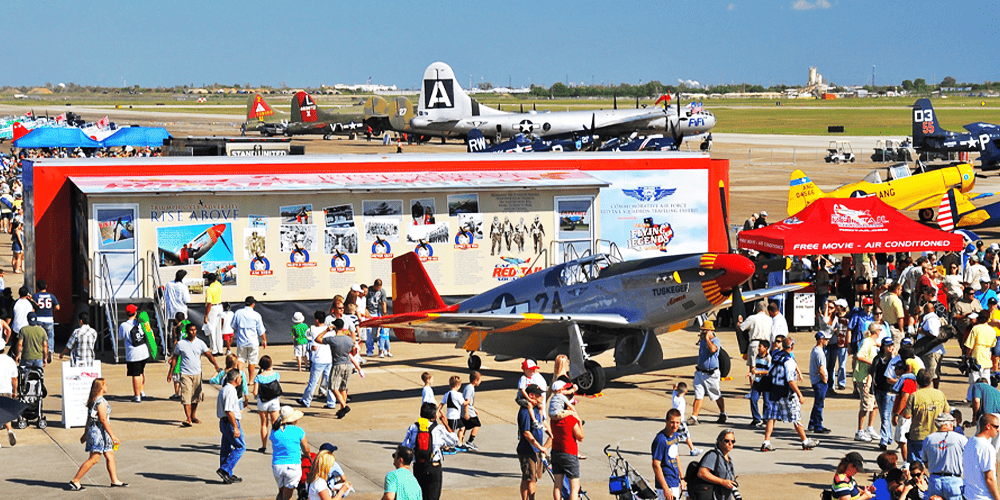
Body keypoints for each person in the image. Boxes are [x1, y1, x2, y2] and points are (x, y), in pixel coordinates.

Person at [761, 336, 820, 451]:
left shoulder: (776, 355)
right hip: (786, 393)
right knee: (796, 417)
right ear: (792, 347)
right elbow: (790, 380)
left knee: (771, 417)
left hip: (774, 390)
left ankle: (766, 442)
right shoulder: (789, 361)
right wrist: (799, 394)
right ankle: (805, 441)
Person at [69, 378, 128, 490]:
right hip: (99, 434)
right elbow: (103, 419)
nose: (107, 386)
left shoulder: (93, 400)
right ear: (101, 387)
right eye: (105, 384)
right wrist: (113, 435)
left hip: (98, 433)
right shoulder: (100, 402)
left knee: (110, 455)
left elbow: (89, 419)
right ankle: (75, 480)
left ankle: (115, 480)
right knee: (95, 458)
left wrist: (85, 433)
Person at [402, 402, 460, 500]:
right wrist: (445, 423)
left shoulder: (413, 427)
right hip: (434, 467)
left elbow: (405, 446)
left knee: (419, 496)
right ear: (434, 417)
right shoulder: (438, 429)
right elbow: (455, 440)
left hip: (419, 467)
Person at [168, 322, 221, 427]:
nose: (194, 332)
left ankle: (193, 415)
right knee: (186, 396)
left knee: (196, 397)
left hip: (197, 373)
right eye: (191, 330)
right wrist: (171, 372)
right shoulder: (180, 344)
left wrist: (215, 365)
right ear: (187, 332)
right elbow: (175, 358)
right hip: (185, 374)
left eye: (195, 330)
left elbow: (208, 354)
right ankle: (188, 419)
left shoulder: (200, 343)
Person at [314, 319, 356, 418]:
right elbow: (354, 351)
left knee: (333, 387)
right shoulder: (349, 339)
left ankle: (344, 406)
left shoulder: (333, 339)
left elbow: (318, 339)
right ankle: (341, 409)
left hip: (337, 364)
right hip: (348, 364)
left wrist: (326, 330)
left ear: (335, 327)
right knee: (343, 388)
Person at [921, 412, 967, 500]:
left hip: (935, 480)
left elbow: (926, 462)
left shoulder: (928, 439)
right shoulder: (961, 439)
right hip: (954, 481)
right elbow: (968, 460)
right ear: (949, 424)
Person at [689, 321, 727, 425]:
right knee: (698, 395)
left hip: (711, 374)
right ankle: (694, 417)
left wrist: (707, 338)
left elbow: (713, 350)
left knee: (716, 394)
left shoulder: (715, 341)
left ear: (710, 331)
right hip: (700, 373)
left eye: (705, 331)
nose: (702, 332)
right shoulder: (702, 341)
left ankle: (723, 413)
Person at [270, 406, 310, 500]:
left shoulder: (274, 431)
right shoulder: (298, 431)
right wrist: (306, 456)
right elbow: (307, 449)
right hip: (292, 466)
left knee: (281, 492)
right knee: (288, 496)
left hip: (277, 466)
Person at [518, 384, 550, 500]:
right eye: (539, 395)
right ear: (531, 396)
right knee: (529, 478)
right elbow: (526, 433)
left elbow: (543, 424)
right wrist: (539, 447)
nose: (542, 397)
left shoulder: (536, 409)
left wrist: (550, 437)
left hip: (536, 450)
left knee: (533, 478)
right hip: (527, 450)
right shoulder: (525, 412)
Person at [550, 393, 584, 500]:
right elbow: (580, 437)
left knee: (557, 485)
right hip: (569, 452)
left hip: (556, 452)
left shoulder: (554, 420)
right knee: (574, 487)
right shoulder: (570, 420)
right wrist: (579, 421)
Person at [299, 312, 334, 409]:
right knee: (329, 382)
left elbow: (310, 343)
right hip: (329, 358)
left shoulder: (314, 330)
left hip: (318, 359)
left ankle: (306, 400)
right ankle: (331, 402)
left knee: (313, 382)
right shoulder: (331, 331)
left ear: (317, 320)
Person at [217, 368, 246, 484]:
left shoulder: (226, 389)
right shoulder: (230, 391)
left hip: (224, 422)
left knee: (226, 448)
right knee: (240, 447)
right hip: (230, 422)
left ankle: (227, 474)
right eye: (240, 377)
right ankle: (225, 469)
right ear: (236, 379)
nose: (241, 379)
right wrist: (235, 427)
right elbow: (229, 410)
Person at [963, 413, 1000, 500]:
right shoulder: (987, 448)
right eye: (996, 426)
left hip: (968, 494)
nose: (998, 430)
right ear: (988, 426)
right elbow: (989, 478)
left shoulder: (970, 441)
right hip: (982, 496)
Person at [232, 296, 267, 384]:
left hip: (242, 340)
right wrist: (264, 340)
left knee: (241, 359)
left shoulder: (238, 313)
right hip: (253, 341)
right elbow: (261, 329)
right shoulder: (256, 315)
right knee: (252, 361)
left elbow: (233, 325)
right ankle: (250, 380)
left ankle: (238, 378)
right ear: (253, 304)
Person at [696, 430, 739, 500]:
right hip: (714, 496)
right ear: (719, 441)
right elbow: (702, 473)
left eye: (733, 441)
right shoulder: (713, 455)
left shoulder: (729, 458)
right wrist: (722, 482)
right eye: (727, 441)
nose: (730, 443)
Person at [118, 304, 148, 402]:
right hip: (144, 351)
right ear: (135, 313)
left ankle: (137, 395)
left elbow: (120, 337)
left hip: (133, 353)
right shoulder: (140, 323)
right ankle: (142, 391)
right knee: (141, 372)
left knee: (136, 374)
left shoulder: (123, 325)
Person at [651, 408, 683, 500]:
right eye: (672, 422)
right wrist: (665, 489)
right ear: (666, 421)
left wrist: (682, 478)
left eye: (677, 422)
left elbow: (676, 456)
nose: (675, 425)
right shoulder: (660, 440)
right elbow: (656, 465)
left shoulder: (675, 435)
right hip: (666, 484)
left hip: (675, 481)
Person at [254, 355, 282, 453]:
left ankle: (264, 446)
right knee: (275, 424)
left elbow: (255, 392)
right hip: (274, 401)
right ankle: (276, 445)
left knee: (264, 424)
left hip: (263, 402)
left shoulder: (258, 377)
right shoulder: (276, 375)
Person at [30, 279, 59, 363]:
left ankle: (40, 352)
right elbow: (57, 307)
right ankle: (50, 351)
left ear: (37, 287)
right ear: (46, 286)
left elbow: (32, 309)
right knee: (50, 336)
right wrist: (51, 309)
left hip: (38, 319)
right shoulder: (51, 296)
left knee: (39, 337)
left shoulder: (35, 296)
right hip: (49, 319)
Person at [807, 332, 830, 434]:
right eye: (826, 339)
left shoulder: (815, 350)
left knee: (817, 402)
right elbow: (821, 369)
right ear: (821, 340)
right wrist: (825, 381)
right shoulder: (819, 353)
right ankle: (818, 425)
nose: (827, 341)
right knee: (819, 404)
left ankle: (812, 423)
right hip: (819, 381)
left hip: (816, 380)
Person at [747, 339, 771, 428]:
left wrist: (759, 372)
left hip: (766, 382)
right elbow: (754, 368)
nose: (758, 348)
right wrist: (752, 373)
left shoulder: (768, 358)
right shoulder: (757, 357)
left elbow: (770, 371)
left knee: (767, 402)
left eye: (760, 346)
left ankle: (766, 419)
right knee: (753, 399)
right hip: (757, 381)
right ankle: (756, 418)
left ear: (766, 348)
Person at [459, 371, 482, 450]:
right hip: (468, 411)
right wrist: (467, 413)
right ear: (475, 381)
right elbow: (467, 401)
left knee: (464, 426)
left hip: (467, 410)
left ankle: (460, 442)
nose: (480, 381)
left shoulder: (468, 387)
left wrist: (474, 409)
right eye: (479, 380)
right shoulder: (470, 388)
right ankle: (470, 441)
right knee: (477, 424)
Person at [164, 269, 190, 338]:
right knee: (182, 331)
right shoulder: (183, 287)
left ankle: (171, 345)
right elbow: (187, 300)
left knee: (171, 331)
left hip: (171, 312)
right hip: (181, 312)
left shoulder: (169, 284)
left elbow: (165, 296)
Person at [0, 347, 18, 447]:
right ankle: (10, 430)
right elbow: (14, 379)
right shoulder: (10, 361)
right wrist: (15, 392)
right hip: (7, 390)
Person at [204, 273, 225, 355]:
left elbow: (209, 303)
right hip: (220, 306)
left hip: (213, 308)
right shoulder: (219, 285)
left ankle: (214, 350)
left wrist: (206, 315)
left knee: (212, 329)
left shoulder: (209, 289)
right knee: (218, 329)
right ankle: (220, 349)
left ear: (209, 280)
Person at [366, 279, 387, 357]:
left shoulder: (382, 291)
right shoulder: (369, 290)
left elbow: (384, 302)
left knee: (379, 332)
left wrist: (384, 313)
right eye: (377, 287)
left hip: (377, 313)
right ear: (374, 285)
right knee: (368, 332)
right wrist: (366, 312)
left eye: (379, 287)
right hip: (369, 313)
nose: (378, 289)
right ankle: (370, 350)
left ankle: (381, 350)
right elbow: (364, 302)